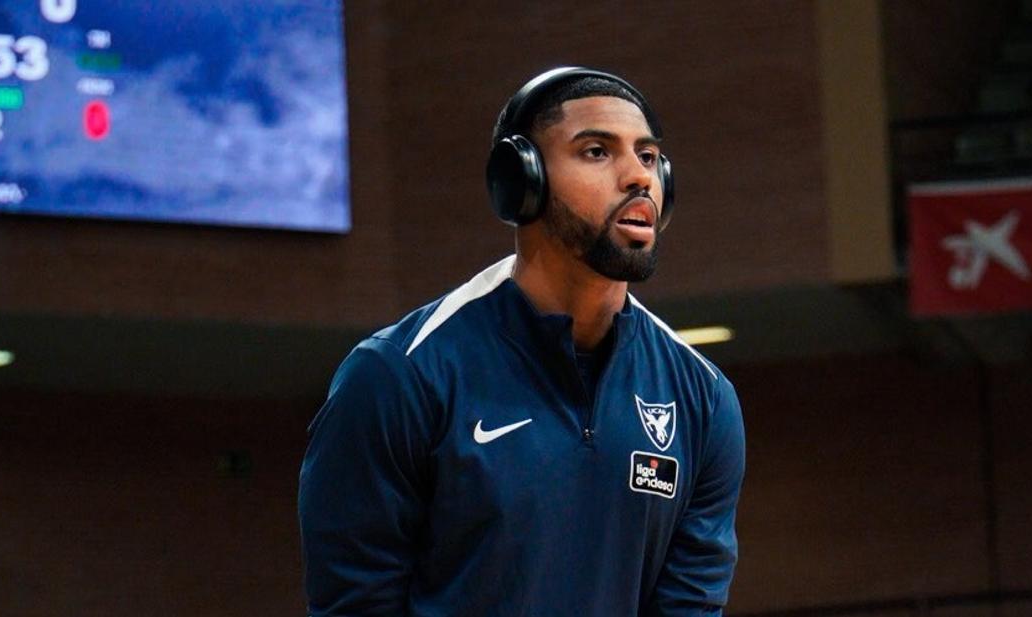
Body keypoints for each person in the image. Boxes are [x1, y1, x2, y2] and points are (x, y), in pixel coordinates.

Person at [298, 66, 746, 616]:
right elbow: (355, 605)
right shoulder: (399, 374)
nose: (639, 177)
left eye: (649, 157)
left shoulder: (703, 398)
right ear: (522, 181)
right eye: (597, 152)